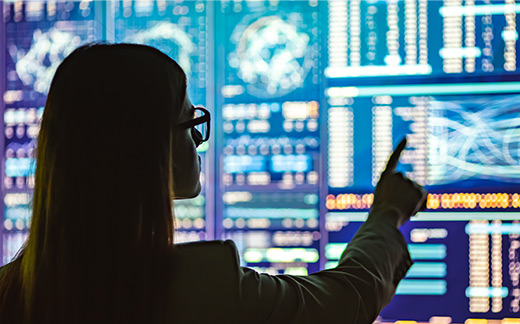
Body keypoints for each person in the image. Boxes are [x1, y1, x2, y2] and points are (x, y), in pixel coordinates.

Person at [0, 43, 427, 324]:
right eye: (191, 123)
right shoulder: (201, 291)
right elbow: (348, 301)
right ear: (151, 150)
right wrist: (387, 213)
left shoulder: (9, 293)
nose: (199, 141)